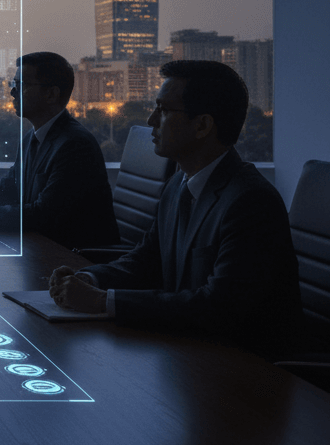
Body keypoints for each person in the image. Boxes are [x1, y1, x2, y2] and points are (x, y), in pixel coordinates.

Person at [49, 60, 301, 355]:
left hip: (246, 373)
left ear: (203, 125)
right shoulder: (178, 184)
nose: (151, 120)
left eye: (164, 110)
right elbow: (147, 259)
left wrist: (102, 301)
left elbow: (218, 307)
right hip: (187, 356)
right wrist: (90, 278)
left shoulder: (251, 202)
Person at [0, 51, 118, 249]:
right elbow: (8, 190)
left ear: (51, 94)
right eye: (14, 84)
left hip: (72, 262)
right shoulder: (31, 139)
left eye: (22, 85)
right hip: (39, 250)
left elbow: (42, 215)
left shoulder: (76, 145)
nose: (12, 92)